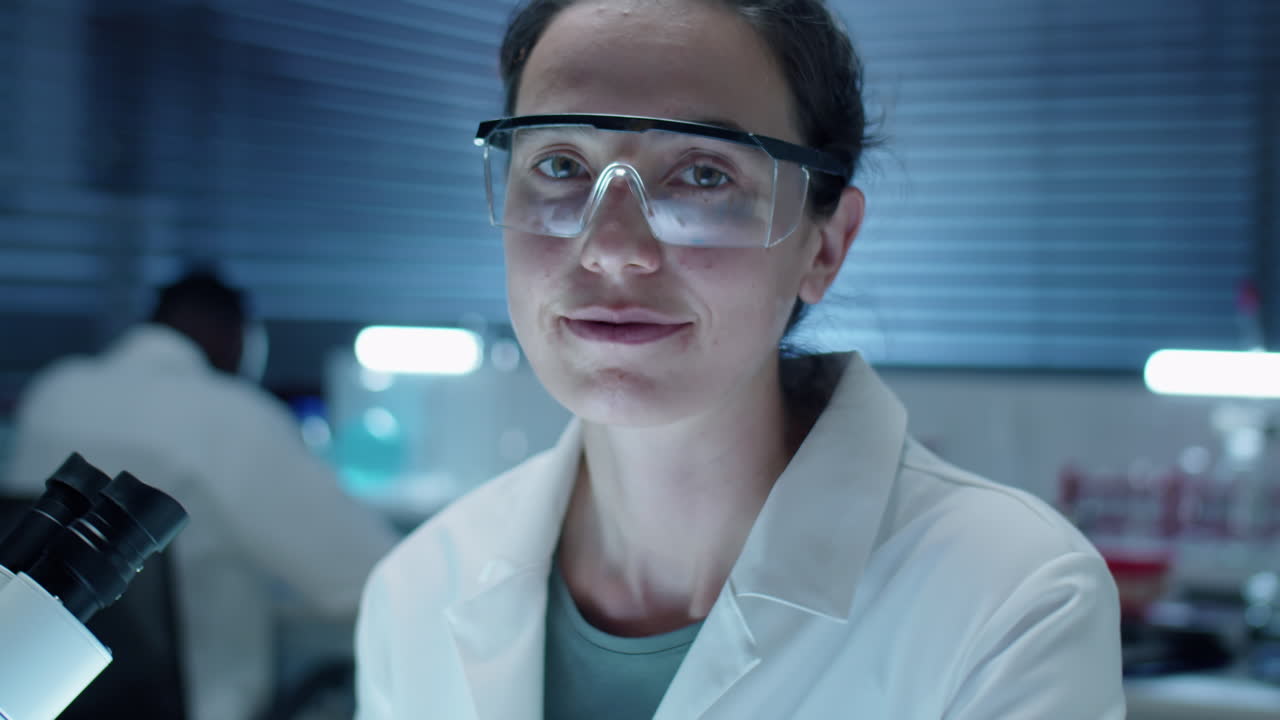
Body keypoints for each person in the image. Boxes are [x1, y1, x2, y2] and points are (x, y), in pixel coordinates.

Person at [354, 0, 1125, 717]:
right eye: (560, 166)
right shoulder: (418, 589)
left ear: (824, 246)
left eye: (703, 174)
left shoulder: (1012, 599)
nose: (612, 250)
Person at [4, 268, 399, 720]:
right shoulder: (227, 414)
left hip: (41, 697)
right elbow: (370, 576)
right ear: (236, 337)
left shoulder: (56, 392)